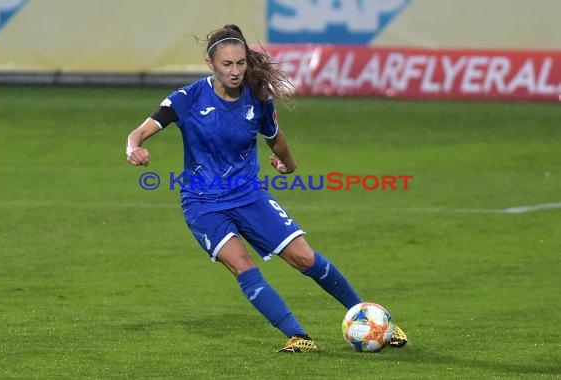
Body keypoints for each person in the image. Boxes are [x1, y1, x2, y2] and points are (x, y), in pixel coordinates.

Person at [125, 24, 407, 352]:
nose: (235, 71)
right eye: (227, 64)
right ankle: (298, 335)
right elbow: (138, 133)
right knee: (242, 264)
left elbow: (276, 138)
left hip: (249, 196)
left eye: (241, 63)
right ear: (210, 64)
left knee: (304, 258)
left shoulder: (257, 98)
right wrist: (134, 149)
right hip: (202, 204)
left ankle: (374, 320)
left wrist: (289, 165)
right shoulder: (186, 99)